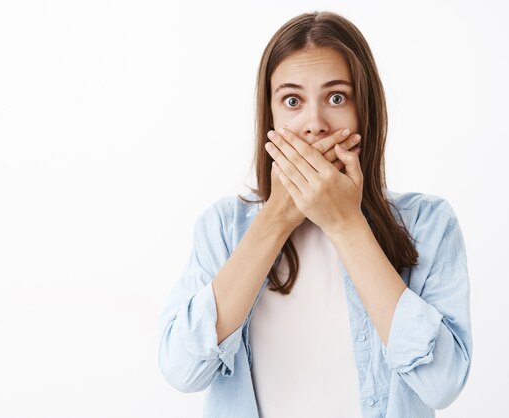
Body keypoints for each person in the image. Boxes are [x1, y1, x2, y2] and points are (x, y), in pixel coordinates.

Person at [157, 10, 472, 418]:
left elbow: (442, 385)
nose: (314, 124)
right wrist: (275, 220)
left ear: (365, 112)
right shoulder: (223, 227)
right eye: (292, 101)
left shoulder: (428, 223)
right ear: (269, 116)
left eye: (337, 98)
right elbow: (182, 371)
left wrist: (345, 224)